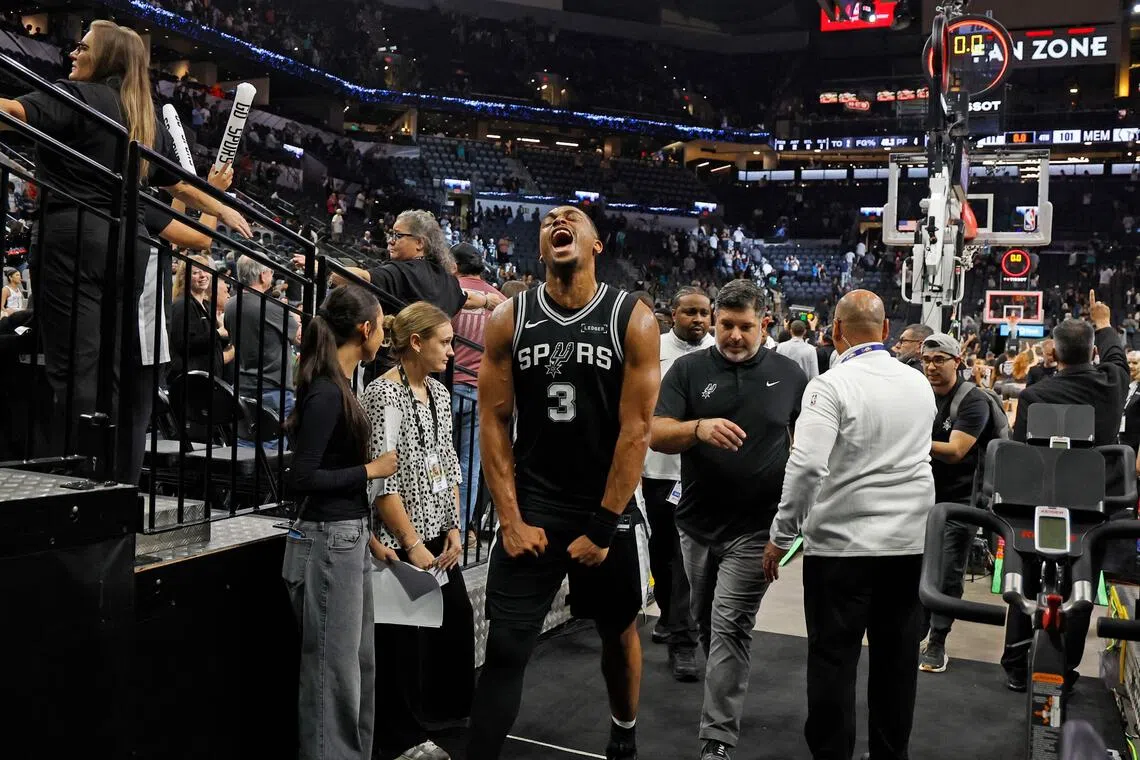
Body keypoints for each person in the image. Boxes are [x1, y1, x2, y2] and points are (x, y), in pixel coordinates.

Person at [0, 21, 250, 483]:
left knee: (74, 364)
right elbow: (176, 183)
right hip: (125, 248)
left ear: (106, 58)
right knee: (111, 369)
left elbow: (13, 112)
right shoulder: (140, 118)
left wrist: (222, 208)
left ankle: (71, 479)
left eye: (83, 46)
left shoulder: (77, 97)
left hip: (72, 240)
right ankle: (106, 478)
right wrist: (225, 208)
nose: (73, 52)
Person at [467, 205, 660, 760]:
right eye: (550, 217)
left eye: (573, 216)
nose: (559, 220)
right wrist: (509, 518)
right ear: (542, 245)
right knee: (505, 646)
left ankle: (623, 731)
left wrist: (603, 526)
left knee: (618, 633)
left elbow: (636, 430)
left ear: (595, 244)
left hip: (606, 506)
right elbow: (494, 421)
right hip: (535, 503)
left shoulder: (632, 317)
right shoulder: (511, 317)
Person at [763, 290, 936, 760]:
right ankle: (889, 754)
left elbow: (805, 467)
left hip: (841, 550)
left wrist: (781, 536)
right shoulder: (919, 384)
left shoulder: (830, 385)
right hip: (907, 547)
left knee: (833, 663)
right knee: (897, 665)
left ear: (835, 332)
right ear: (885, 332)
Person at [651, 279, 808, 760]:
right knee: (703, 616)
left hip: (756, 529)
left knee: (730, 624)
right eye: (726, 325)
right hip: (697, 522)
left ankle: (716, 736)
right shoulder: (687, 369)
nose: (734, 336)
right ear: (715, 321)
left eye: (744, 326)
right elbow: (656, 433)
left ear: (764, 323)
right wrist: (698, 427)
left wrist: (791, 528)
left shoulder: (790, 374)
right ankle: (715, 686)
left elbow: (808, 448)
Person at [281, 284, 399, 760]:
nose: (385, 335)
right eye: (383, 326)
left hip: (345, 537)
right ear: (365, 329)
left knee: (354, 669)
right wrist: (371, 471)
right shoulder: (329, 392)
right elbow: (302, 476)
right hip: (328, 541)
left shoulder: (340, 385)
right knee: (334, 675)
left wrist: (367, 536)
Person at [361, 301, 473, 760]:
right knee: (401, 645)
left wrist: (454, 528)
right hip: (398, 540)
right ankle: (400, 736)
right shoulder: (381, 395)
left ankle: (444, 720)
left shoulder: (442, 395)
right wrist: (410, 544)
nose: (451, 351)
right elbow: (382, 481)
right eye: (444, 342)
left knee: (456, 619)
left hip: (436, 533)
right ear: (416, 342)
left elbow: (447, 466)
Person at [1002, 291, 1129, 691]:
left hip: (1039, 498)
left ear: (1054, 353)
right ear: (1092, 352)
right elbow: (1117, 359)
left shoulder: (1037, 394)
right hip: (1093, 504)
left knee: (1024, 574)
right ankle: (1067, 668)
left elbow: (1021, 446)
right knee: (1081, 583)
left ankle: (1014, 663)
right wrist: (1104, 322)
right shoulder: (1111, 385)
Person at [641, 286, 713, 682]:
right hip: (657, 469)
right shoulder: (654, 350)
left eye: (704, 313)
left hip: (699, 474)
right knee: (659, 551)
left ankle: (683, 638)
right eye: (690, 313)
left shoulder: (718, 352)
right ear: (674, 314)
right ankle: (670, 616)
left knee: (685, 559)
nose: (699, 320)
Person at [917, 333, 994, 674]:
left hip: (960, 500)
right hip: (918, 495)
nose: (931, 367)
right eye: (927, 360)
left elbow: (956, 451)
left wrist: (912, 440)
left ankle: (938, 640)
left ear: (957, 362)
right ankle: (916, 631)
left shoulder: (972, 400)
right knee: (914, 566)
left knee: (948, 573)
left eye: (939, 360)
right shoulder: (918, 393)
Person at [451, 242, 503, 546]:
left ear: (454, 265)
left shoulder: (450, 291)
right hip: (481, 391)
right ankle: (458, 527)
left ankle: (433, 525)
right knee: (469, 465)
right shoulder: (500, 300)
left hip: (444, 388)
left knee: (435, 458)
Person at [225, 255, 300, 445]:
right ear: (262, 276)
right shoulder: (273, 308)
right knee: (272, 449)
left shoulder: (230, 305)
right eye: (270, 272)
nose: (272, 275)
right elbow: (299, 336)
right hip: (272, 388)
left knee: (244, 444)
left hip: (242, 385)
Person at [168, 252, 233, 381]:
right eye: (196, 272)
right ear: (184, 277)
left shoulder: (207, 306)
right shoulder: (182, 305)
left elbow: (213, 344)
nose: (203, 275)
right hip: (191, 381)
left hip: (209, 378)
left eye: (205, 270)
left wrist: (224, 331)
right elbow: (185, 344)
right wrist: (218, 333)